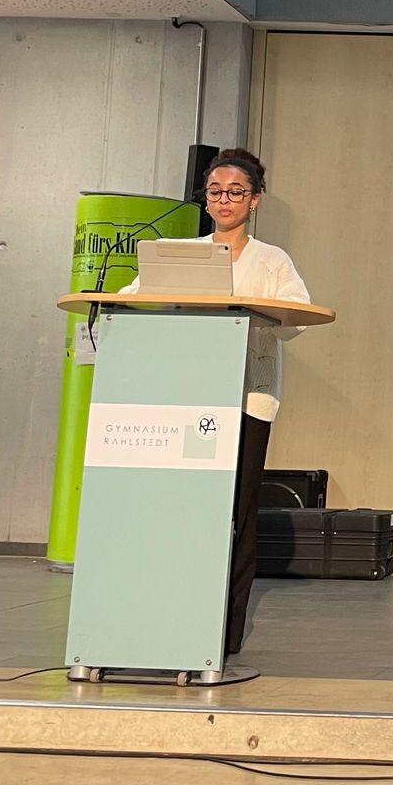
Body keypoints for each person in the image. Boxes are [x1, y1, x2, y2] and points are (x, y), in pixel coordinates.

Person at [122, 148, 308, 658]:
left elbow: (295, 318)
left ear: (255, 200)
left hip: (246, 399)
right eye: (215, 191)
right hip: (187, 399)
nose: (224, 200)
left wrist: (251, 310)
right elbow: (132, 294)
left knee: (236, 515)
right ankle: (174, 616)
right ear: (205, 199)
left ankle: (225, 632)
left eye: (236, 192)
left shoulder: (272, 260)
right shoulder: (181, 253)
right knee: (185, 512)